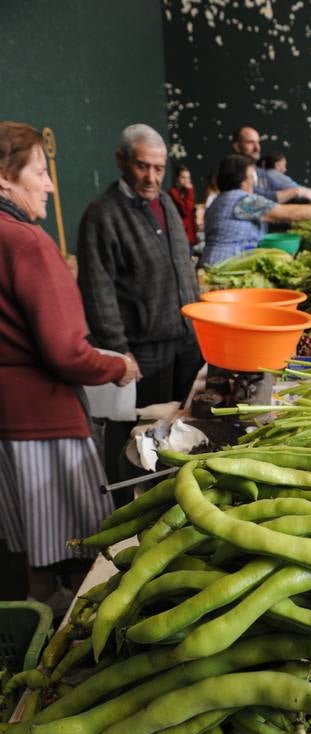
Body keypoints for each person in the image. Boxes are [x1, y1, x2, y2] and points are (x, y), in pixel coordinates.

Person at [0, 121, 138, 602]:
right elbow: (64, 351)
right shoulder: (28, 242)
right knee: (84, 551)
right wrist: (117, 367)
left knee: (32, 555)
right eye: (39, 171)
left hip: (9, 420)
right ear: (4, 178)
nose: (51, 184)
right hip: (46, 423)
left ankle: (38, 623)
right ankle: (74, 640)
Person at [77, 124, 203, 493]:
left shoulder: (163, 201)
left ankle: (173, 493)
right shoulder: (102, 214)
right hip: (143, 350)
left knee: (180, 429)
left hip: (184, 339)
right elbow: (97, 289)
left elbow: (181, 264)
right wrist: (119, 351)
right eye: (142, 166)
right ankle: (126, 505)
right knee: (136, 440)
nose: (151, 177)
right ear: (122, 161)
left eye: (159, 168)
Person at [202, 153, 311, 267]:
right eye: (251, 176)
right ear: (241, 180)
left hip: (213, 263)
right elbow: (288, 213)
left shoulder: (220, 200)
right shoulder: (242, 201)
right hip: (223, 266)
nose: (254, 181)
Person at [232, 126, 311, 203]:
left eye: (258, 142)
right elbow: (257, 198)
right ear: (237, 146)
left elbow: (286, 186)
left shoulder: (261, 172)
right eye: (250, 142)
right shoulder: (231, 171)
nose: (257, 148)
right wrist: (296, 191)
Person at [168, 164, 197, 250]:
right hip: (180, 236)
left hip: (190, 236)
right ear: (176, 179)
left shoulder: (187, 192)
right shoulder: (173, 192)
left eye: (188, 178)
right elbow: (186, 210)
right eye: (183, 178)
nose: (186, 181)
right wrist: (189, 191)